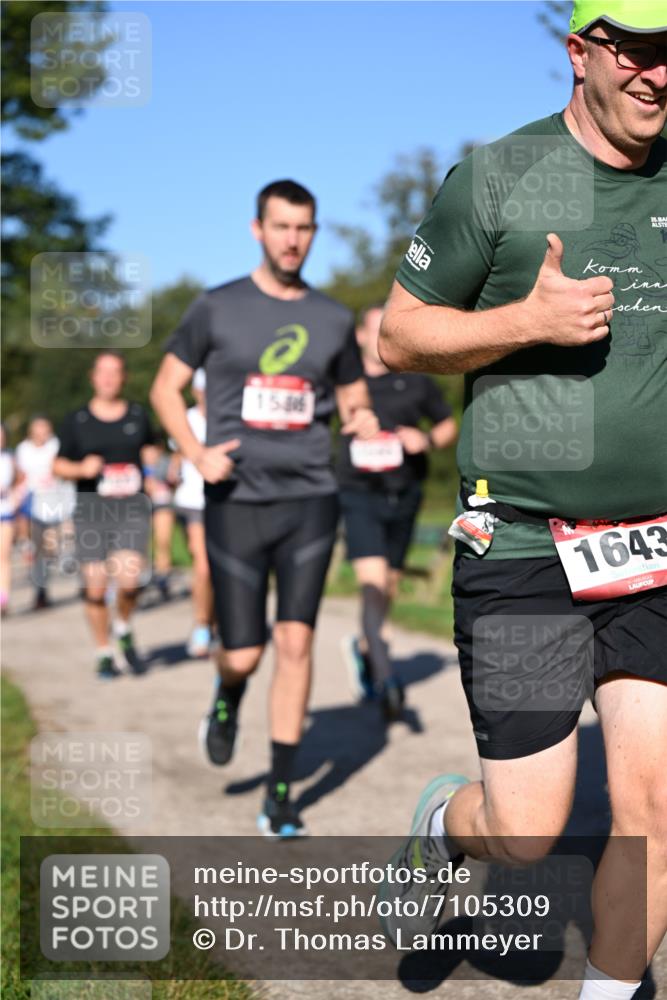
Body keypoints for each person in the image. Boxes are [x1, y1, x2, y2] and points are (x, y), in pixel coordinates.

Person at [378, 2, 666, 997]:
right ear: (580, 52)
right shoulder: (499, 177)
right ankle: (445, 820)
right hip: (521, 546)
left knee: (651, 805)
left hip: (656, 548)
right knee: (526, 830)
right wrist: (527, 319)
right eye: (635, 50)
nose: (657, 75)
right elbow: (399, 336)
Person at [151, 179, 378, 838]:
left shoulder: (333, 318)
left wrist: (360, 420)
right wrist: (194, 454)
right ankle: (227, 694)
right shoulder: (215, 308)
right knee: (245, 654)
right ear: (257, 229)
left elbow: (354, 394)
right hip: (236, 500)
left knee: (297, 643)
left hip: (310, 498)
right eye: (280, 226)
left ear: (313, 232)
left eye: (303, 228)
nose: (292, 239)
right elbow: (164, 388)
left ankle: (280, 791)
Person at [337, 304, 457, 720]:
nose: (381, 338)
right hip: (359, 494)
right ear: (359, 336)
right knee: (372, 584)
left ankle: (365, 647)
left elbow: (447, 426)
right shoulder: (344, 386)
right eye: (374, 330)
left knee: (388, 586)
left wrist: (425, 440)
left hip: (405, 495)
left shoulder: (415, 381)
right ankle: (388, 680)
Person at [54, 350, 156, 679]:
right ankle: (103, 651)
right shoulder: (77, 420)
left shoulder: (138, 416)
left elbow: (152, 452)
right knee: (96, 590)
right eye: (103, 372)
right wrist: (80, 467)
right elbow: (57, 465)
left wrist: (155, 473)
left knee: (129, 582)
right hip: (91, 511)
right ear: (93, 377)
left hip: (131, 509)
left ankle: (123, 626)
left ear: (123, 377)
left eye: (115, 372)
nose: (109, 378)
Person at [170, 368, 214, 658]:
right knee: (204, 566)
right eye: (203, 391)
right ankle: (202, 626)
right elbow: (176, 454)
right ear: (195, 392)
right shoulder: (186, 418)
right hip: (194, 501)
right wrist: (174, 469)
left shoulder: (233, 414)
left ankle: (218, 621)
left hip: (229, 500)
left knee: (220, 569)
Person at [16, 415, 75, 610]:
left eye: (45, 428)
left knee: (61, 542)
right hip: (35, 504)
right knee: (41, 551)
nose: (42, 433)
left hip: (59, 501)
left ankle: (72, 563)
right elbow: (20, 477)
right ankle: (40, 592)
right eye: (38, 428)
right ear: (31, 431)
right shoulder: (23, 450)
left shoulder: (56, 445)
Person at [0, 424, 23, 615]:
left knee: (4, 555)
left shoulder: (10, 458)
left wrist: (16, 497)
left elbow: (21, 480)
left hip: (5, 512)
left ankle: (3, 598)